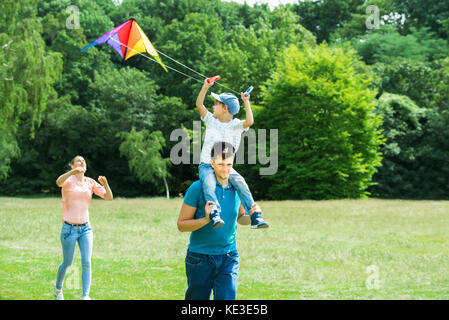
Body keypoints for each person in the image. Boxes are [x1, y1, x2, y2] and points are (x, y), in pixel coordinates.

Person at [177, 142, 262, 300]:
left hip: (229, 256)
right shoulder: (197, 188)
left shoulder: (236, 188)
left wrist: (252, 216)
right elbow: (181, 225)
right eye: (221, 164)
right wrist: (205, 219)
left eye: (229, 164)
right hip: (200, 258)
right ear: (212, 163)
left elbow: (240, 219)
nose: (225, 169)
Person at [195, 78, 269, 229]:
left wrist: (246, 102)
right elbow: (199, 104)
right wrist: (205, 87)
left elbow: (249, 121)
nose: (213, 106)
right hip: (207, 165)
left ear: (225, 108)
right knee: (208, 183)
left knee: (241, 182)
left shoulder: (236, 125)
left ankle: (255, 215)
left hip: (226, 168)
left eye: (216, 103)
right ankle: (214, 213)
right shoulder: (210, 120)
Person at [54, 155, 113, 300]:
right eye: (78, 161)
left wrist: (105, 184)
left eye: (84, 161)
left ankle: (86, 296)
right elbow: (58, 182)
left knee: (87, 261)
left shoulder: (90, 182)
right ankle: (58, 289)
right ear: (72, 165)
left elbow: (109, 197)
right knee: (67, 262)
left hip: (86, 229)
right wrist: (72, 173)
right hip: (69, 229)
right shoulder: (68, 180)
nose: (82, 162)